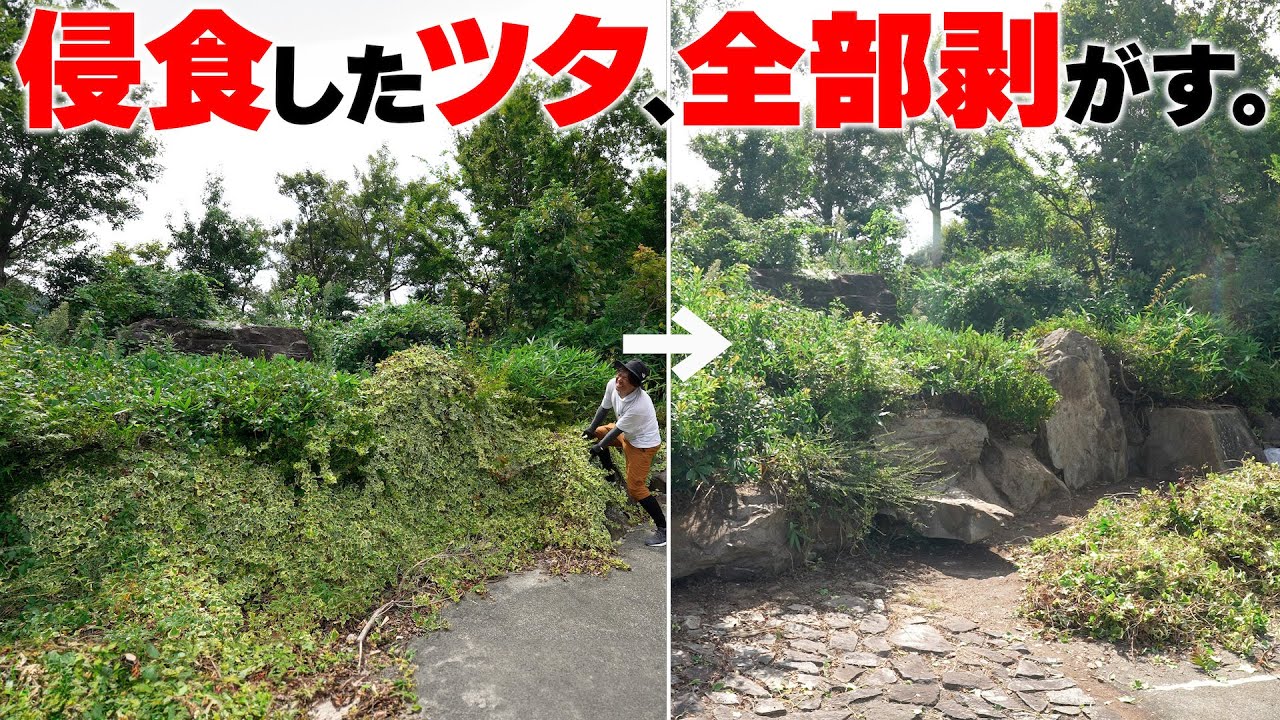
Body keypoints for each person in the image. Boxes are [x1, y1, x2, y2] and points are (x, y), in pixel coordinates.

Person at [584, 358, 667, 547]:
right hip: (627, 434)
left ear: (635, 385)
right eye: (620, 374)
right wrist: (591, 429)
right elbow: (604, 408)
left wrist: (599, 447)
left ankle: (663, 529)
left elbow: (617, 430)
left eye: (625, 378)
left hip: (642, 444)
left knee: (636, 488)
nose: (619, 379)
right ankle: (610, 475)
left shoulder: (640, 405)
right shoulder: (613, 385)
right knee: (598, 433)